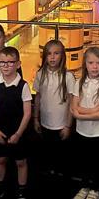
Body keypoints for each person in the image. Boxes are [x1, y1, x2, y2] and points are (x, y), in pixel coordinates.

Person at [0, 46, 32, 199]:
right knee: (1, 159)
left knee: (21, 162)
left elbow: (27, 113)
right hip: (0, 130)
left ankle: (22, 191)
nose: (6, 66)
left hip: (18, 132)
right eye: (3, 63)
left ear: (18, 64)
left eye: (10, 63)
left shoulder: (23, 85)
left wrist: (18, 134)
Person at [70, 47, 99, 199]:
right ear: (85, 64)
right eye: (91, 63)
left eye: (98, 63)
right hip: (82, 130)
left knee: (97, 163)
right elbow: (74, 108)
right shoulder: (79, 82)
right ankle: (85, 185)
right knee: (84, 161)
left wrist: (81, 113)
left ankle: (96, 189)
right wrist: (91, 110)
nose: (94, 66)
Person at [32, 40, 75, 175]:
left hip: (62, 125)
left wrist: (68, 126)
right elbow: (38, 97)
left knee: (61, 161)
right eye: (49, 54)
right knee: (47, 158)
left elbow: (71, 102)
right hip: (45, 124)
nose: (52, 57)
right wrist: (35, 119)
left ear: (62, 55)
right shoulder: (40, 74)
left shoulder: (68, 77)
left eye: (56, 53)